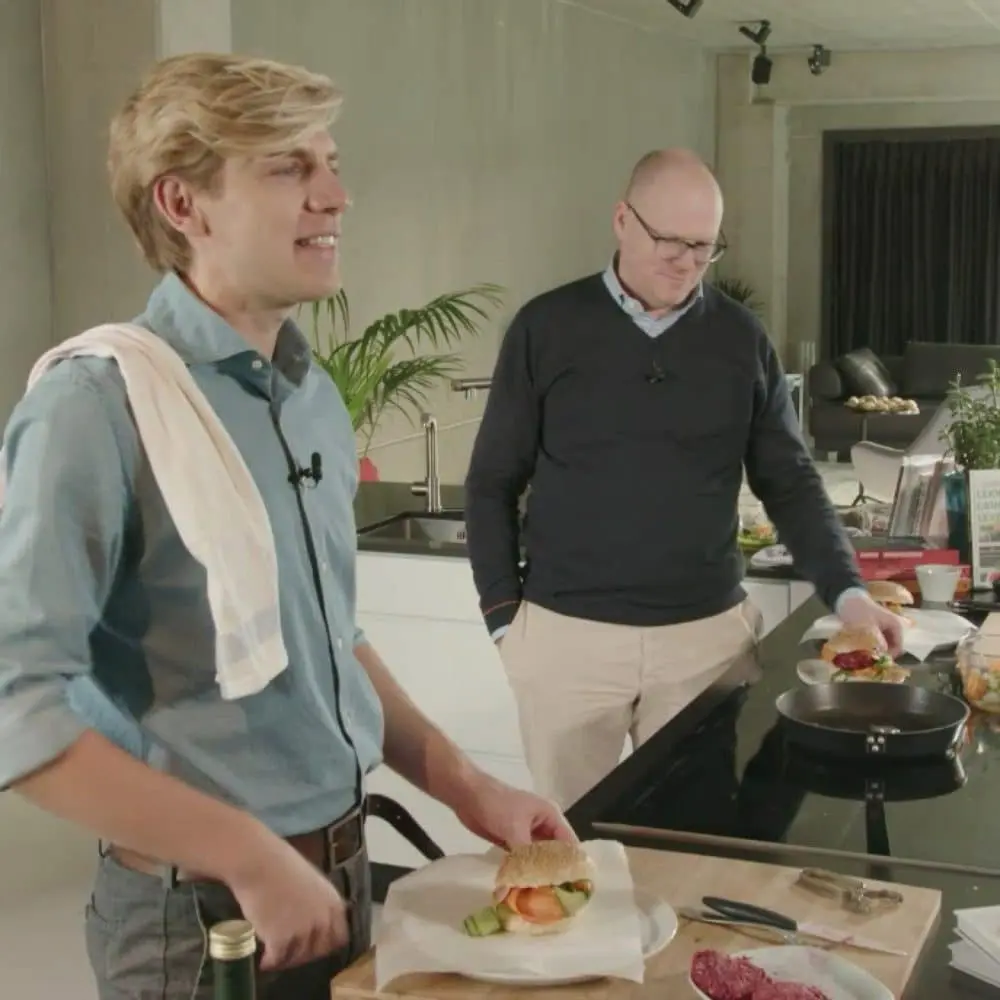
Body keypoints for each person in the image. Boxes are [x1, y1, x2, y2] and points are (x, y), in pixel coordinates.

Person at [0, 53, 572, 1000]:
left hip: (339, 879)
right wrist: (246, 854)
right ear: (182, 204)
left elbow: (332, 641)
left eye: (331, 165)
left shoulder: (309, 399)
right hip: (199, 923)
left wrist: (470, 788)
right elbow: (17, 716)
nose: (336, 196)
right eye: (287, 168)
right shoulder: (94, 406)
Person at [464, 148, 904, 809]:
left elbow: (790, 482)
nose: (685, 262)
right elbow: (491, 481)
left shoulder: (741, 339)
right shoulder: (545, 327)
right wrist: (504, 619)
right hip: (566, 641)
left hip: (704, 642)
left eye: (703, 247)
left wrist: (848, 593)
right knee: (572, 846)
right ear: (622, 220)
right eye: (668, 240)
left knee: (696, 841)